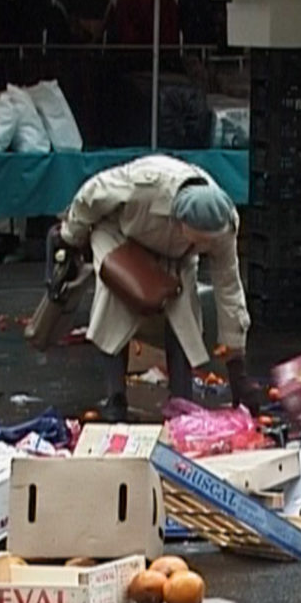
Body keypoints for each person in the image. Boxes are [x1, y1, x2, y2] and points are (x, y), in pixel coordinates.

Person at [58, 154, 260, 422]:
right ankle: (115, 397)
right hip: (122, 235)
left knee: (184, 312)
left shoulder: (222, 226)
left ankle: (182, 401)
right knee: (115, 303)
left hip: (176, 255)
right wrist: (71, 236)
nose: (206, 248)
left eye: (209, 244)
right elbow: (90, 195)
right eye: (200, 241)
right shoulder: (143, 186)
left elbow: (229, 288)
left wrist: (237, 368)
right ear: (180, 223)